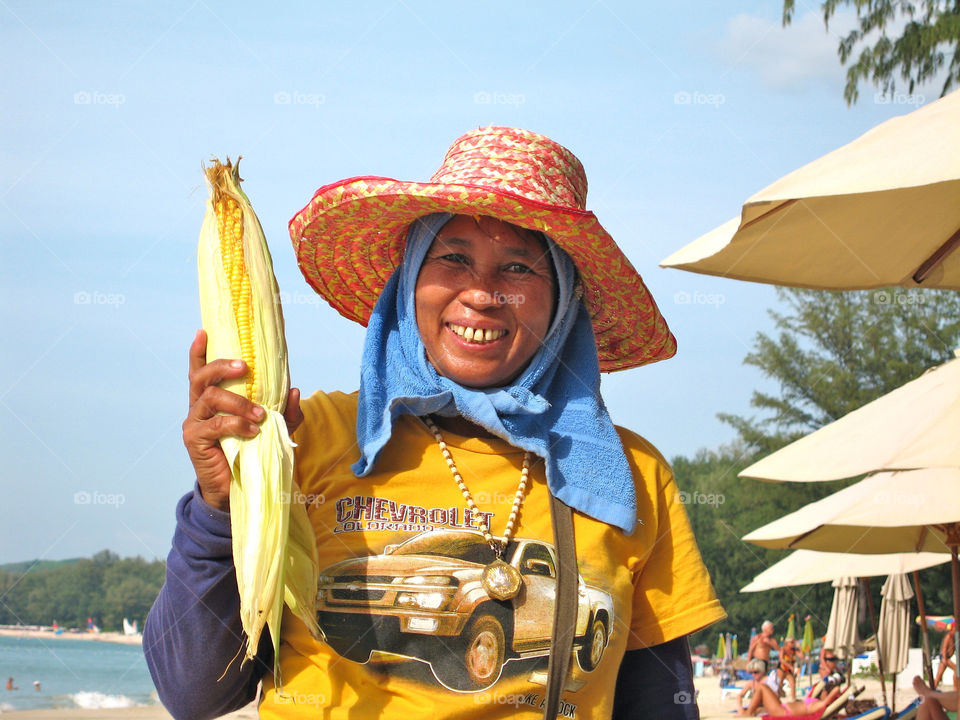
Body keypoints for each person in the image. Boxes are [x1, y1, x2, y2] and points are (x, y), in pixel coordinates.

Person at [144, 126, 726, 720]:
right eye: (452, 257)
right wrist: (218, 507)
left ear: (563, 301)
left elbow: (660, 702)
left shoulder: (629, 478)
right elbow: (194, 693)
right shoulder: (304, 437)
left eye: (520, 267)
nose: (481, 293)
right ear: (410, 279)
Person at [776, 636, 798, 701]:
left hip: (789, 670)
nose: (793, 644)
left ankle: (794, 699)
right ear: (787, 643)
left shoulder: (794, 650)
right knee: (779, 685)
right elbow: (781, 659)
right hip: (782, 668)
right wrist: (789, 666)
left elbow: (802, 656)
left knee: (793, 684)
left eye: (793, 642)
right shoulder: (783, 649)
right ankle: (777, 699)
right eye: (791, 642)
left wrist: (799, 647)